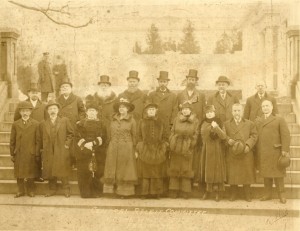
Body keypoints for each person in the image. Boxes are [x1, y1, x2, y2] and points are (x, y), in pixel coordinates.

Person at [36, 100, 74, 197]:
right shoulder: (43, 123)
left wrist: (67, 145)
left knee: (63, 169)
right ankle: (52, 189)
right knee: (50, 170)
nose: (52, 111)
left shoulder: (64, 120)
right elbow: (39, 138)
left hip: (61, 149)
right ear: (48, 111)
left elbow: (71, 134)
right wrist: (41, 149)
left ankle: (66, 189)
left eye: (54, 109)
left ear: (58, 110)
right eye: (50, 109)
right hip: (48, 150)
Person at [255, 99, 290, 204]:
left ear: (272, 107)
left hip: (276, 151)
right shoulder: (259, 120)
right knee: (266, 174)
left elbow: (286, 135)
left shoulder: (279, 119)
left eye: (267, 106)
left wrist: (285, 149)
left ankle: (282, 195)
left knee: (279, 174)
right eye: (263, 106)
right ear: (261, 108)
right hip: (263, 152)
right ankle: (268, 194)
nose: (265, 108)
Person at [103, 98, 138, 197]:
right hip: (113, 146)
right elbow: (109, 133)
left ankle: (124, 192)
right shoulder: (113, 120)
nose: (121, 109)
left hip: (126, 147)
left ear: (128, 109)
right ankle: (110, 191)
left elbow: (134, 135)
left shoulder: (132, 121)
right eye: (120, 107)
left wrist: (135, 149)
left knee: (124, 169)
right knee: (112, 167)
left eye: (124, 107)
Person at [224, 103, 258, 202]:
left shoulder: (250, 123)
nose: (237, 113)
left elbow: (254, 136)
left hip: (246, 152)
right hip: (232, 152)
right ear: (232, 112)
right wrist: (228, 140)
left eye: (239, 111)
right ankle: (233, 194)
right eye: (235, 111)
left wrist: (248, 145)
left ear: (242, 112)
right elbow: (223, 136)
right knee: (233, 174)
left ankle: (247, 194)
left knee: (246, 173)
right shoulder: (226, 124)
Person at [14, 82, 47, 183]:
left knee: (37, 154)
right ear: (28, 93)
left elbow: (46, 120)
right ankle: (24, 175)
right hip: (25, 134)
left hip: (39, 133)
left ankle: (37, 175)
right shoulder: (22, 104)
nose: (35, 94)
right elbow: (16, 119)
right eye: (33, 92)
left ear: (39, 94)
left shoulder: (43, 106)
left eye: (37, 92)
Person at [177, 69, 205, 184]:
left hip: (196, 128)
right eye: (189, 79)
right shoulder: (180, 95)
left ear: (196, 81)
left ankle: (195, 178)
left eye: (193, 79)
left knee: (195, 152)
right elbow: (177, 112)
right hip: (183, 129)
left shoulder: (201, 95)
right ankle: (185, 181)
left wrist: (200, 126)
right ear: (186, 80)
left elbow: (203, 112)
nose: (191, 81)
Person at [136, 103, 169, 199]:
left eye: (153, 109)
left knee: (157, 171)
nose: (151, 111)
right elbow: (138, 136)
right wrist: (140, 146)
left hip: (158, 149)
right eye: (149, 109)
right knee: (145, 171)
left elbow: (166, 135)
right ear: (146, 111)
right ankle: (144, 193)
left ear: (156, 111)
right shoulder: (141, 122)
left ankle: (156, 193)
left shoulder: (161, 121)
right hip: (145, 149)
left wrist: (163, 146)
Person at [75, 102, 107, 198]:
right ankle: (85, 193)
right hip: (84, 151)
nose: (91, 113)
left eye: (93, 111)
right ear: (86, 112)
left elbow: (103, 136)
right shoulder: (80, 123)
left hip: (98, 151)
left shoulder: (101, 124)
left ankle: (97, 192)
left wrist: (93, 143)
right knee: (84, 172)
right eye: (89, 111)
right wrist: (85, 144)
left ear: (97, 112)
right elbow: (77, 136)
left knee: (97, 172)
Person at [168, 102, 199, 199]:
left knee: (186, 168)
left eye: (187, 109)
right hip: (176, 146)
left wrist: (190, 144)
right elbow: (172, 131)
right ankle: (174, 190)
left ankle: (185, 191)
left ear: (191, 110)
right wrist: (173, 141)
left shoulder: (195, 121)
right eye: (183, 109)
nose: (185, 110)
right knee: (175, 167)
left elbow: (196, 134)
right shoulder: (177, 119)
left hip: (188, 147)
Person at [10, 101, 39, 198]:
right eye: (23, 111)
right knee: (19, 173)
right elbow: (12, 140)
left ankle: (30, 191)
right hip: (19, 152)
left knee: (31, 172)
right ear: (20, 113)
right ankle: (20, 190)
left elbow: (38, 140)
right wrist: (12, 153)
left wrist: (36, 152)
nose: (25, 113)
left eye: (27, 111)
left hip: (31, 152)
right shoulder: (15, 124)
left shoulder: (35, 124)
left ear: (30, 112)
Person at [56, 79, 85, 168]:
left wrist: (80, 121)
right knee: (64, 143)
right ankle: (65, 162)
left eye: (67, 86)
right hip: (61, 125)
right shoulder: (57, 100)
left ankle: (74, 161)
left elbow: (82, 111)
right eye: (63, 87)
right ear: (60, 90)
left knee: (73, 144)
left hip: (73, 125)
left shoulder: (77, 99)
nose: (64, 88)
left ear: (71, 88)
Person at [200, 105, 227, 202]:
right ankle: (207, 191)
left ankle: (217, 192)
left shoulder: (219, 122)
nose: (209, 114)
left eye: (211, 112)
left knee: (217, 171)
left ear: (214, 113)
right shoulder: (202, 123)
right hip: (206, 150)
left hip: (217, 149)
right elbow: (202, 137)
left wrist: (216, 127)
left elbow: (223, 136)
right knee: (207, 171)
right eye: (207, 112)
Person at [147, 71, 178, 136]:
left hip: (167, 124)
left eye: (164, 82)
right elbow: (148, 109)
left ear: (167, 83)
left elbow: (175, 110)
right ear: (158, 82)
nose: (162, 84)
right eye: (161, 82)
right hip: (155, 123)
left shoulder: (173, 96)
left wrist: (172, 123)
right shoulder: (152, 95)